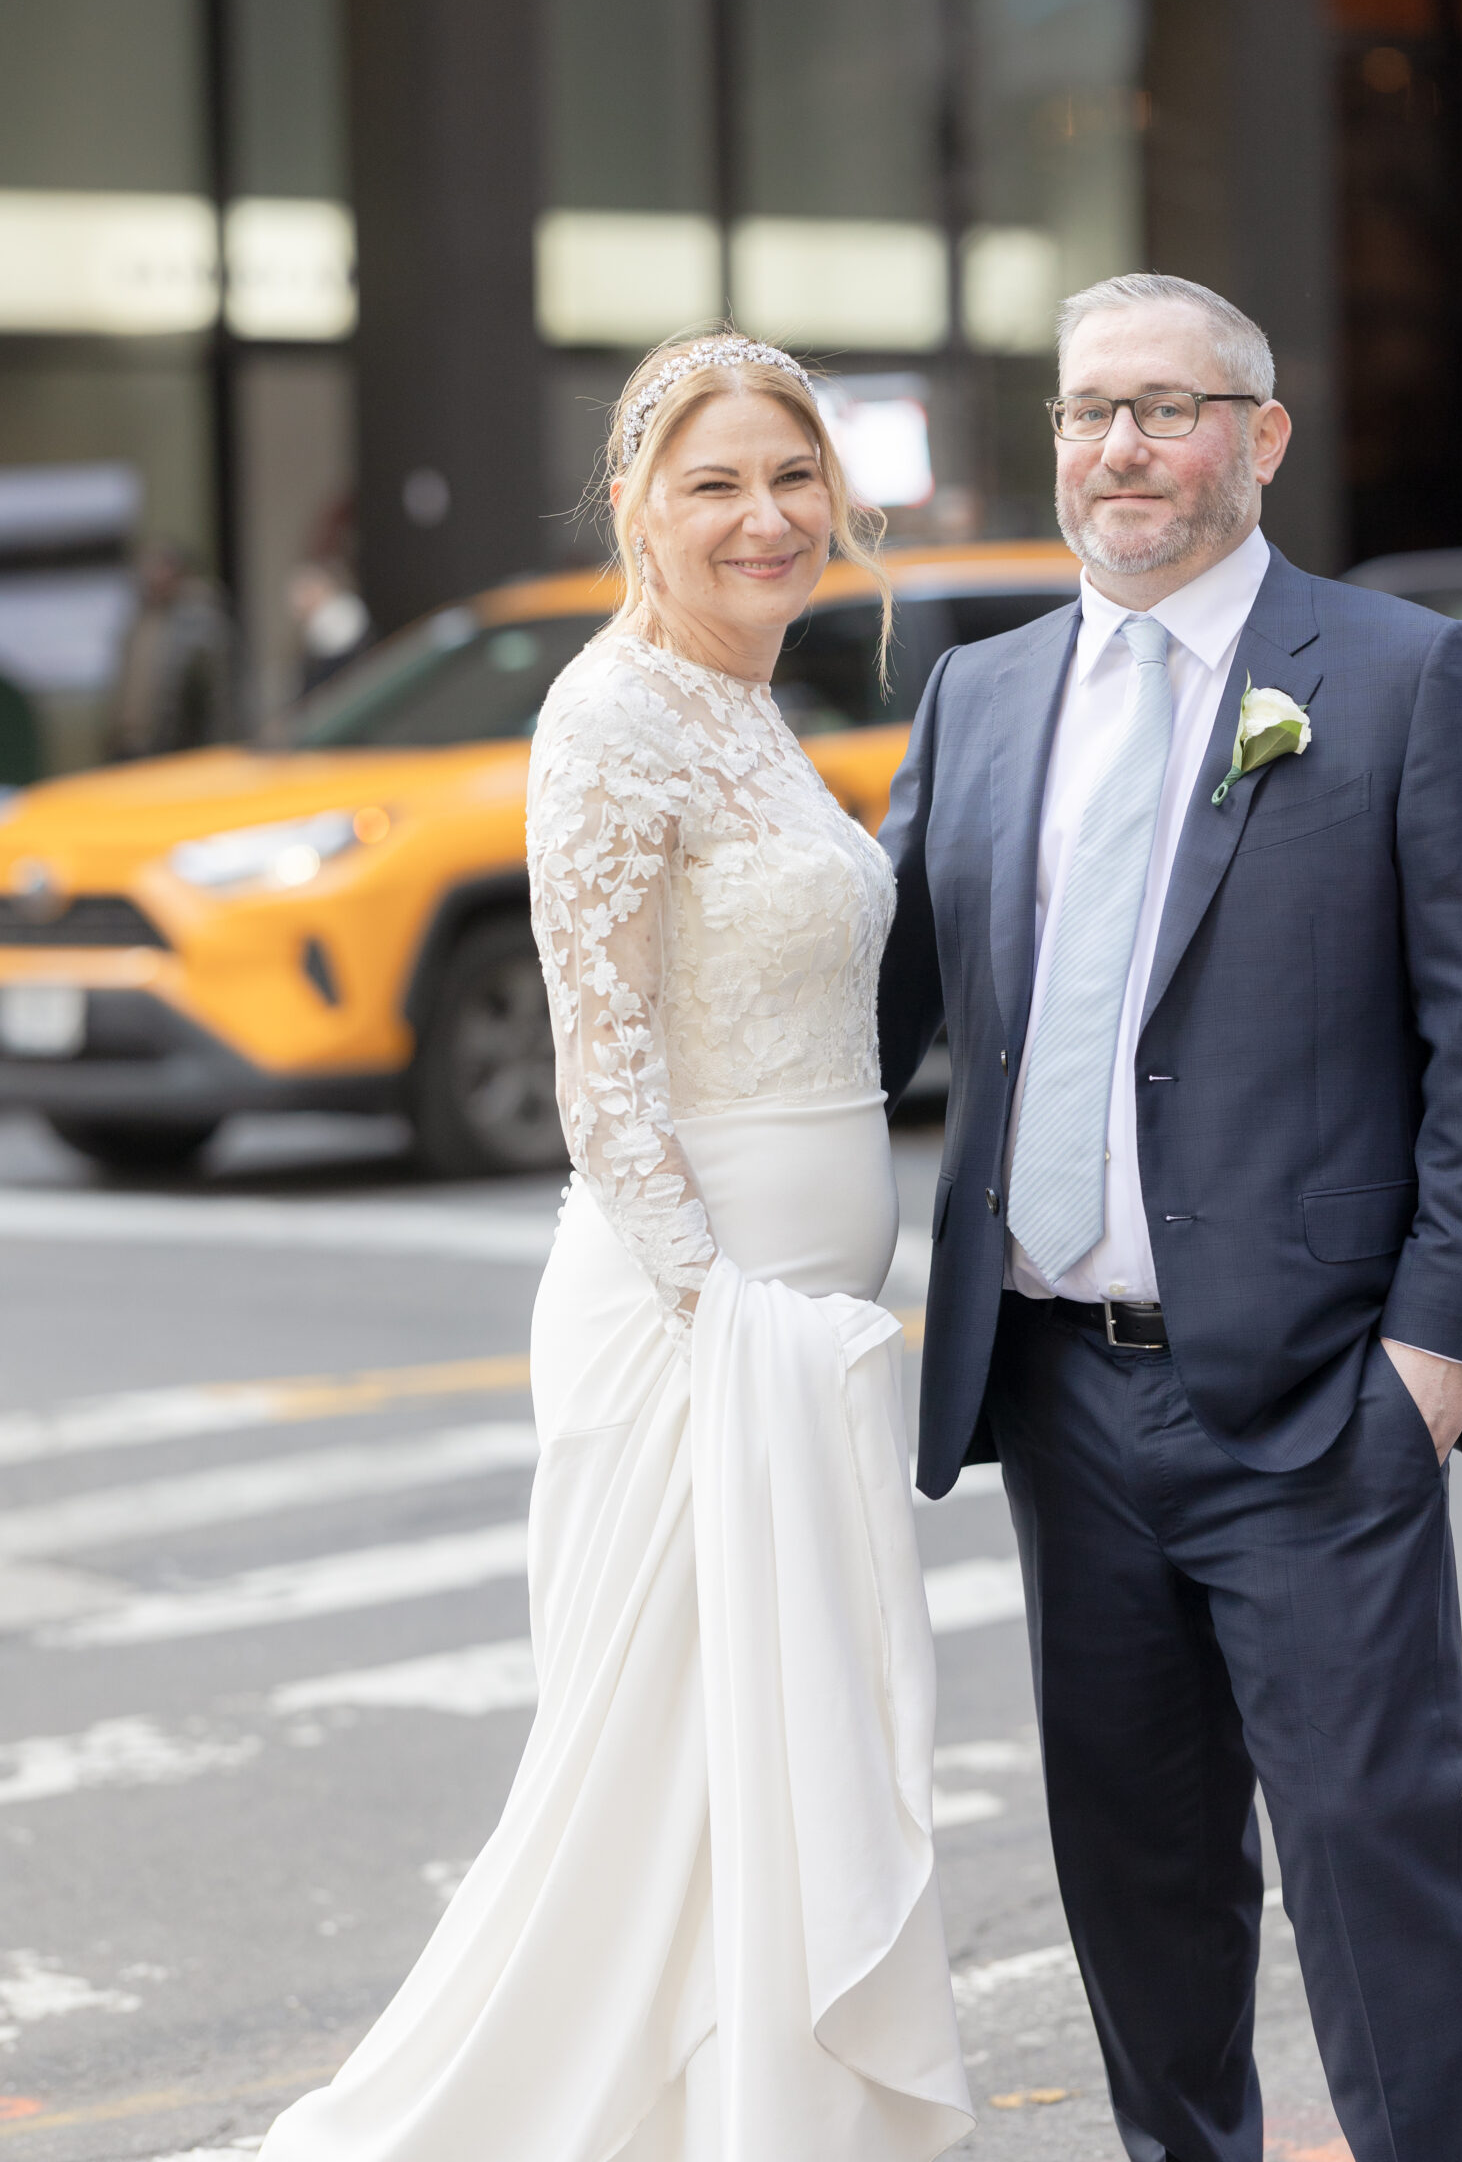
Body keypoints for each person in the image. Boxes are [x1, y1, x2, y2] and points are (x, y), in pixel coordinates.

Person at [258, 334, 972, 2162]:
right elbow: (603, 1073)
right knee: (653, 1790)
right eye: (714, 482)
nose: (763, 517)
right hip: (692, 1327)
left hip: (796, 1315)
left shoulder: (758, 708)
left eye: (790, 478)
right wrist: (722, 1314)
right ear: (636, 506)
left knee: (763, 1786)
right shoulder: (610, 713)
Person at [878, 271, 1462, 2162]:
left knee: (1369, 1858)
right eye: (1092, 411)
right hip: (1059, 1407)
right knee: (1135, 1879)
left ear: (1258, 439)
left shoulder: (1403, 677)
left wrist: (1434, 1357)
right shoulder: (981, 693)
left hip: (1320, 1398)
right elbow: (867, 1015)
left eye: (1169, 409)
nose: (1123, 448)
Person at [109, 537, 237, 760]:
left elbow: (219, 697)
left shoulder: (199, 621)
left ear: (176, 572)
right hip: (131, 747)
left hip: (177, 750)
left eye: (158, 567)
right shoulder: (140, 619)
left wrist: (215, 752)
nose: (149, 574)